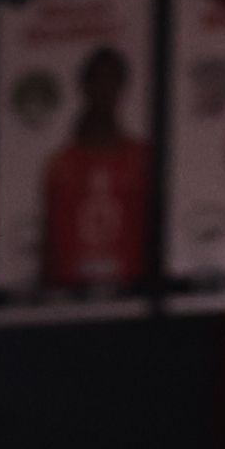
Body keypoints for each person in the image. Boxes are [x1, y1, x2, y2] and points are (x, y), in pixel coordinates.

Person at [42, 45, 150, 296]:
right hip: (72, 301)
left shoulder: (142, 159)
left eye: (112, 79)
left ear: (122, 87)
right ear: (85, 86)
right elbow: (49, 245)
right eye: (99, 79)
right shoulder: (61, 164)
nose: (105, 89)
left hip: (130, 297)